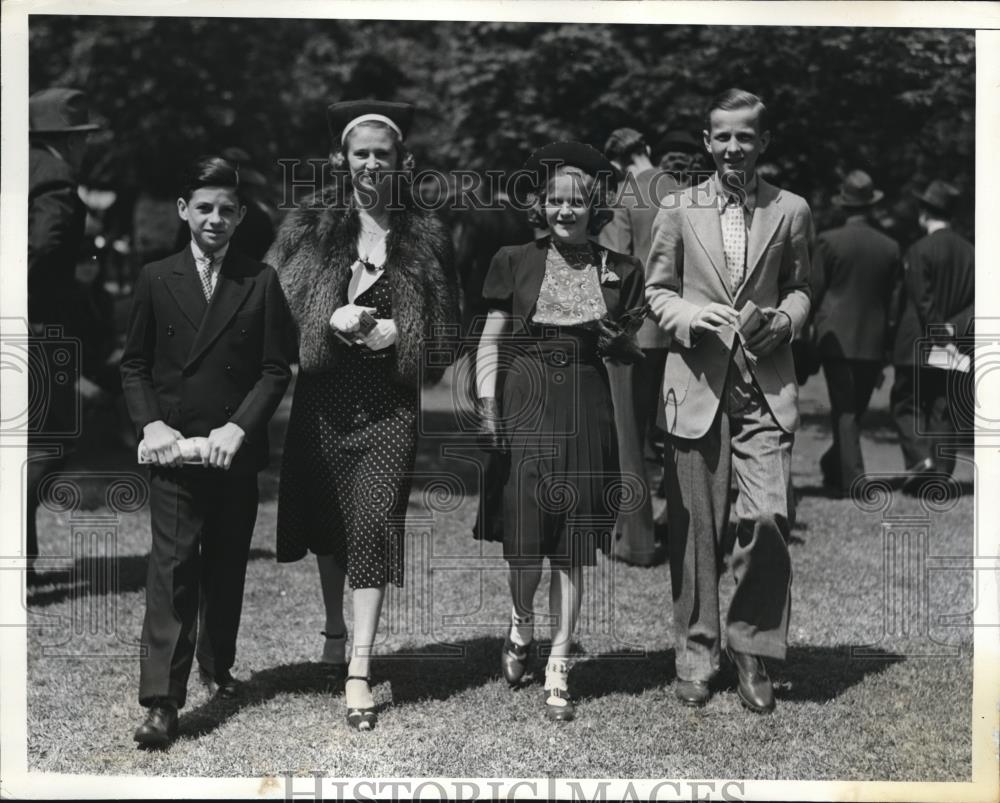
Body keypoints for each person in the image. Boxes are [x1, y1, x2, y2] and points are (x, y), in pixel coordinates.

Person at [268, 100, 458, 731]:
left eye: (383, 153)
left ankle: (359, 668)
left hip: (389, 408)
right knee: (328, 521)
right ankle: (332, 627)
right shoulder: (309, 226)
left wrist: (401, 334)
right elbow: (273, 308)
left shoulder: (426, 232)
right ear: (341, 160)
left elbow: (448, 330)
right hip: (322, 400)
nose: (372, 163)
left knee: (372, 526)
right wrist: (326, 318)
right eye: (361, 153)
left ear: (402, 160)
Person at [646, 89, 814, 713]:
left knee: (768, 517)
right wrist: (693, 317)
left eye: (746, 136)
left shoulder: (791, 208)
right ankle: (696, 653)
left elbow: (801, 288)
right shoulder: (677, 209)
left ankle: (752, 649)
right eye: (723, 136)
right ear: (708, 141)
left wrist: (785, 320)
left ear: (763, 142)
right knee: (695, 530)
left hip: (766, 389)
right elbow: (656, 292)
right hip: (695, 385)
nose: (733, 147)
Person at [120, 156, 293, 747]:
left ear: (241, 215)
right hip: (174, 453)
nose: (215, 219)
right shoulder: (155, 277)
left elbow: (275, 370)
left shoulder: (259, 281)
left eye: (226, 210)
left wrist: (238, 429)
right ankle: (162, 703)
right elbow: (135, 366)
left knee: (224, 567)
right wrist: (152, 427)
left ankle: (218, 669)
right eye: (204, 208)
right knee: (171, 572)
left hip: (231, 454)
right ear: (182, 211)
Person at [476, 141, 646, 722]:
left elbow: (629, 350)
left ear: (592, 205)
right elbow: (492, 338)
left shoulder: (619, 271)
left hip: (585, 401)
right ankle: (521, 625)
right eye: (554, 200)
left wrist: (614, 332)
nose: (565, 210)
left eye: (575, 201)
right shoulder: (514, 259)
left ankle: (559, 662)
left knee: (571, 545)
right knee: (524, 544)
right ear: (541, 205)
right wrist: (485, 401)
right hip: (525, 395)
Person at [26, 87, 101, 584]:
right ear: (67, 140)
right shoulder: (55, 176)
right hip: (39, 325)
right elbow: (43, 245)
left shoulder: (20, 167)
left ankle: (23, 561)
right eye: (81, 138)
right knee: (47, 442)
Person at [600, 128, 681, 565]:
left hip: (636, 332)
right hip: (684, 331)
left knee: (629, 435)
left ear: (615, 162)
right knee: (677, 438)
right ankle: (681, 529)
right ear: (647, 147)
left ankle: (636, 541)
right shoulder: (683, 192)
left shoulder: (623, 197)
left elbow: (619, 270)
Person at [812, 170, 901, 497]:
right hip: (873, 341)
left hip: (835, 338)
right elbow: (894, 304)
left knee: (846, 411)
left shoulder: (828, 241)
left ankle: (850, 478)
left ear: (844, 205)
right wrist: (888, 346)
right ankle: (836, 467)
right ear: (872, 205)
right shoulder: (890, 247)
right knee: (854, 410)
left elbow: (814, 290)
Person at [889, 180, 974, 493]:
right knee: (942, 407)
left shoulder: (919, 250)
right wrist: (953, 335)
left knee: (904, 403)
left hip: (918, 342)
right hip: (953, 345)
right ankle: (939, 474)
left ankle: (920, 459)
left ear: (925, 212)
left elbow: (922, 301)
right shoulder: (971, 252)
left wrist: (938, 335)